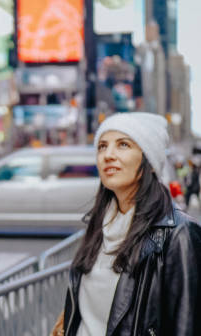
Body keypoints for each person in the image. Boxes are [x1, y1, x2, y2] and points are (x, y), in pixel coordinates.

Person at [62, 112, 201, 336]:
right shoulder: (100, 225)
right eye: (102, 146)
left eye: (123, 145)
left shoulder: (179, 233)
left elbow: (186, 325)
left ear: (151, 162)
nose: (108, 155)